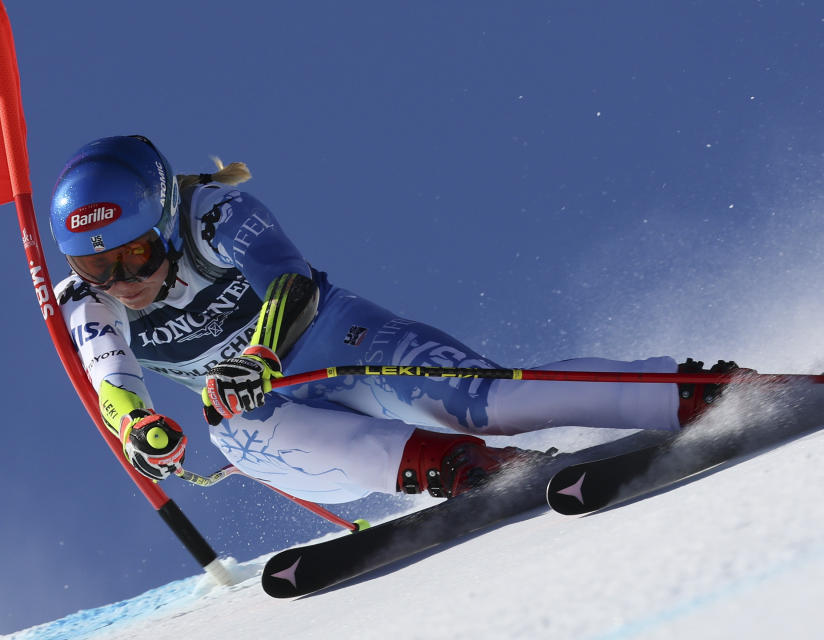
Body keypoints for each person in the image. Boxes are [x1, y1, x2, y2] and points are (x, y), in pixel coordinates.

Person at [51, 135, 742, 504]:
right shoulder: (88, 301)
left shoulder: (213, 215)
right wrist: (141, 430)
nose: (123, 281)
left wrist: (261, 354)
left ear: (165, 220)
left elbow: (287, 279)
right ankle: (463, 471)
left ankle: (691, 392)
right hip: (289, 431)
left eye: (137, 255)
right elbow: (112, 382)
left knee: (487, 401)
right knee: (228, 424)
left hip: (336, 343)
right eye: (98, 267)